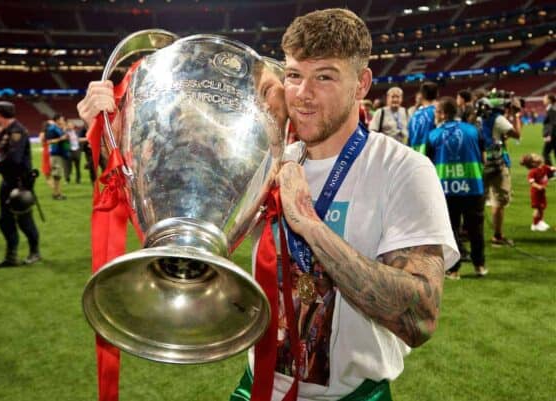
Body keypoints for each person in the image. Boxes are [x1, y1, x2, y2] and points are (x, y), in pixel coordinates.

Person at [78, 9, 458, 400]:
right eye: (294, 75)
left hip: (351, 395)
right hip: (258, 388)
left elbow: (419, 317)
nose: (303, 94)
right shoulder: (267, 156)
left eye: (324, 77)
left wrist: (309, 223)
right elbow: (174, 176)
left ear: (361, 84)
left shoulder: (402, 170)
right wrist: (116, 124)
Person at [426, 97, 486, 280]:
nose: (435, 115)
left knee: (451, 229)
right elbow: (482, 156)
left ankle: (454, 269)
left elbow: (429, 163)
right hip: (472, 186)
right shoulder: (473, 130)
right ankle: (480, 265)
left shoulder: (434, 135)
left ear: (443, 113)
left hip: (446, 189)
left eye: (437, 112)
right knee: (476, 228)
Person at [0, 101, 40, 267]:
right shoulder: (5, 132)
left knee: (24, 221)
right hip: (8, 182)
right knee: (4, 220)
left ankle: (34, 252)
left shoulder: (17, 131)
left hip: (20, 183)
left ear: (1, 114)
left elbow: (14, 159)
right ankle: (11, 257)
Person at [476, 96, 520, 246]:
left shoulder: (475, 118)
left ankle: (473, 235)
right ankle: (497, 236)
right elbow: (516, 134)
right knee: (499, 200)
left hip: (480, 163)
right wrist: (516, 115)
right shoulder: (497, 118)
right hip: (497, 164)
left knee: (477, 202)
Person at [520, 153, 556, 231]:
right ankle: (535, 224)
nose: (538, 156)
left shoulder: (544, 167)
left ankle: (540, 221)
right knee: (537, 208)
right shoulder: (532, 172)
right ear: (533, 163)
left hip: (542, 192)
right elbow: (532, 182)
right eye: (535, 157)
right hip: (535, 193)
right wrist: (538, 186)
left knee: (542, 207)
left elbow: (552, 169)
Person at [407, 81, 438, 154]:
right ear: (437, 94)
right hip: (431, 155)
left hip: (415, 153)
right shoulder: (438, 113)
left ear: (422, 95)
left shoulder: (415, 115)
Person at [45, 113, 68, 200]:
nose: (63, 121)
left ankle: (58, 193)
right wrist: (61, 139)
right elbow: (49, 141)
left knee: (58, 175)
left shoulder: (58, 128)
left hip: (59, 153)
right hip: (55, 154)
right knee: (56, 175)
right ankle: (56, 194)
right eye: (62, 119)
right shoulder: (52, 129)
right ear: (57, 120)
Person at [541, 94, 556, 165]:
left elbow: (553, 123)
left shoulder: (552, 109)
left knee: (545, 153)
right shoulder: (551, 108)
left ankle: (551, 171)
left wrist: (549, 135)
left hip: (553, 135)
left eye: (545, 98)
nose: (543, 100)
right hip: (553, 134)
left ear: (549, 100)